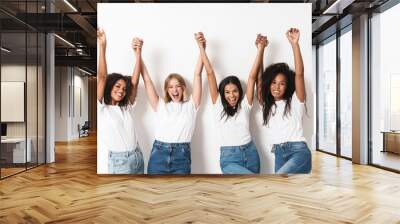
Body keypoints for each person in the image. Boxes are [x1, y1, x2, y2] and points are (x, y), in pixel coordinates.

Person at [196, 32, 267, 174]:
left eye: (234, 91)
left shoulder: (245, 105)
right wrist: (201, 47)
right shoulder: (218, 105)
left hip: (251, 153)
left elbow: (252, 77)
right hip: (229, 157)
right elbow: (210, 73)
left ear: (240, 92)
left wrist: (260, 49)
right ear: (222, 94)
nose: (231, 95)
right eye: (227, 92)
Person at [139, 38, 204, 174]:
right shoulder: (161, 105)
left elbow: (197, 74)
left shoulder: (192, 105)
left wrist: (201, 48)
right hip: (159, 154)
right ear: (167, 90)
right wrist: (138, 53)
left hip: (182, 156)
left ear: (183, 88)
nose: (175, 90)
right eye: (171, 87)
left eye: (178, 86)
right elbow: (147, 80)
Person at [259, 28, 311, 174]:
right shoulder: (267, 106)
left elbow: (299, 74)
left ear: (287, 86)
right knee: (283, 193)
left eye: (282, 83)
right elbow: (259, 79)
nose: (277, 87)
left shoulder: (295, 101)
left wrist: (295, 44)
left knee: (277, 182)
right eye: (273, 82)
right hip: (279, 154)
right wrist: (261, 49)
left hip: (298, 152)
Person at [97, 28, 144, 174]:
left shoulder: (126, 108)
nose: (121, 91)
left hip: (137, 157)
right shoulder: (101, 109)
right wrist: (103, 47)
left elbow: (134, 82)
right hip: (119, 161)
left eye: (124, 89)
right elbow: (102, 76)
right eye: (117, 86)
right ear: (109, 87)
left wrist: (138, 54)